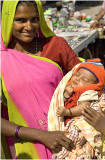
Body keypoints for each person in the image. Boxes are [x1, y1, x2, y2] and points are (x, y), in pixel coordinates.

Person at [1, 0, 81, 159]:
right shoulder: (3, 58)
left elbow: (87, 80)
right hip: (26, 144)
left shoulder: (56, 45)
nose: (29, 27)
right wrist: (41, 135)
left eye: (34, 19)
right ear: (8, 19)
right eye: (21, 20)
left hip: (68, 138)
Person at [48, 58, 105, 159]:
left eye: (85, 80)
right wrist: (66, 95)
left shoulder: (89, 92)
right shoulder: (70, 88)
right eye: (77, 75)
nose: (77, 79)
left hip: (79, 124)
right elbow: (60, 101)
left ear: (93, 85)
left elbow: (84, 107)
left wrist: (67, 111)